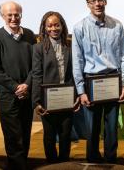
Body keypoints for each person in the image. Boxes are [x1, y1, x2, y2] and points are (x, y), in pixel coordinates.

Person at [72, 0, 124, 163]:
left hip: (113, 80)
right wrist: (81, 91)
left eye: (100, 0)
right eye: (93, 1)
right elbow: (77, 61)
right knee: (92, 129)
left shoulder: (117, 25)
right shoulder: (79, 27)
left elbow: (123, 57)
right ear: (88, 4)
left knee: (112, 128)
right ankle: (93, 162)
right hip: (91, 82)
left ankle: (111, 161)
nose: (97, 3)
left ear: (105, 1)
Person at [0, 1, 36, 170]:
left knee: (25, 132)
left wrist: (27, 85)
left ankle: (22, 165)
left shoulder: (29, 35)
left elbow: (35, 65)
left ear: (21, 15)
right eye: (10, 15)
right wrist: (16, 87)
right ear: (3, 16)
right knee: (13, 136)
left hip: (27, 93)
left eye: (17, 14)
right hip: (8, 96)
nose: (14, 18)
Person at [32, 11, 79, 163]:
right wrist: (36, 102)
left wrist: (77, 96)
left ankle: (64, 164)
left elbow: (75, 72)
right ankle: (51, 165)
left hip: (67, 98)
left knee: (65, 134)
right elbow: (37, 75)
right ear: (45, 28)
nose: (54, 28)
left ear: (62, 26)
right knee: (50, 135)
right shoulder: (39, 48)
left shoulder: (71, 45)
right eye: (50, 25)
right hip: (48, 100)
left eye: (57, 25)